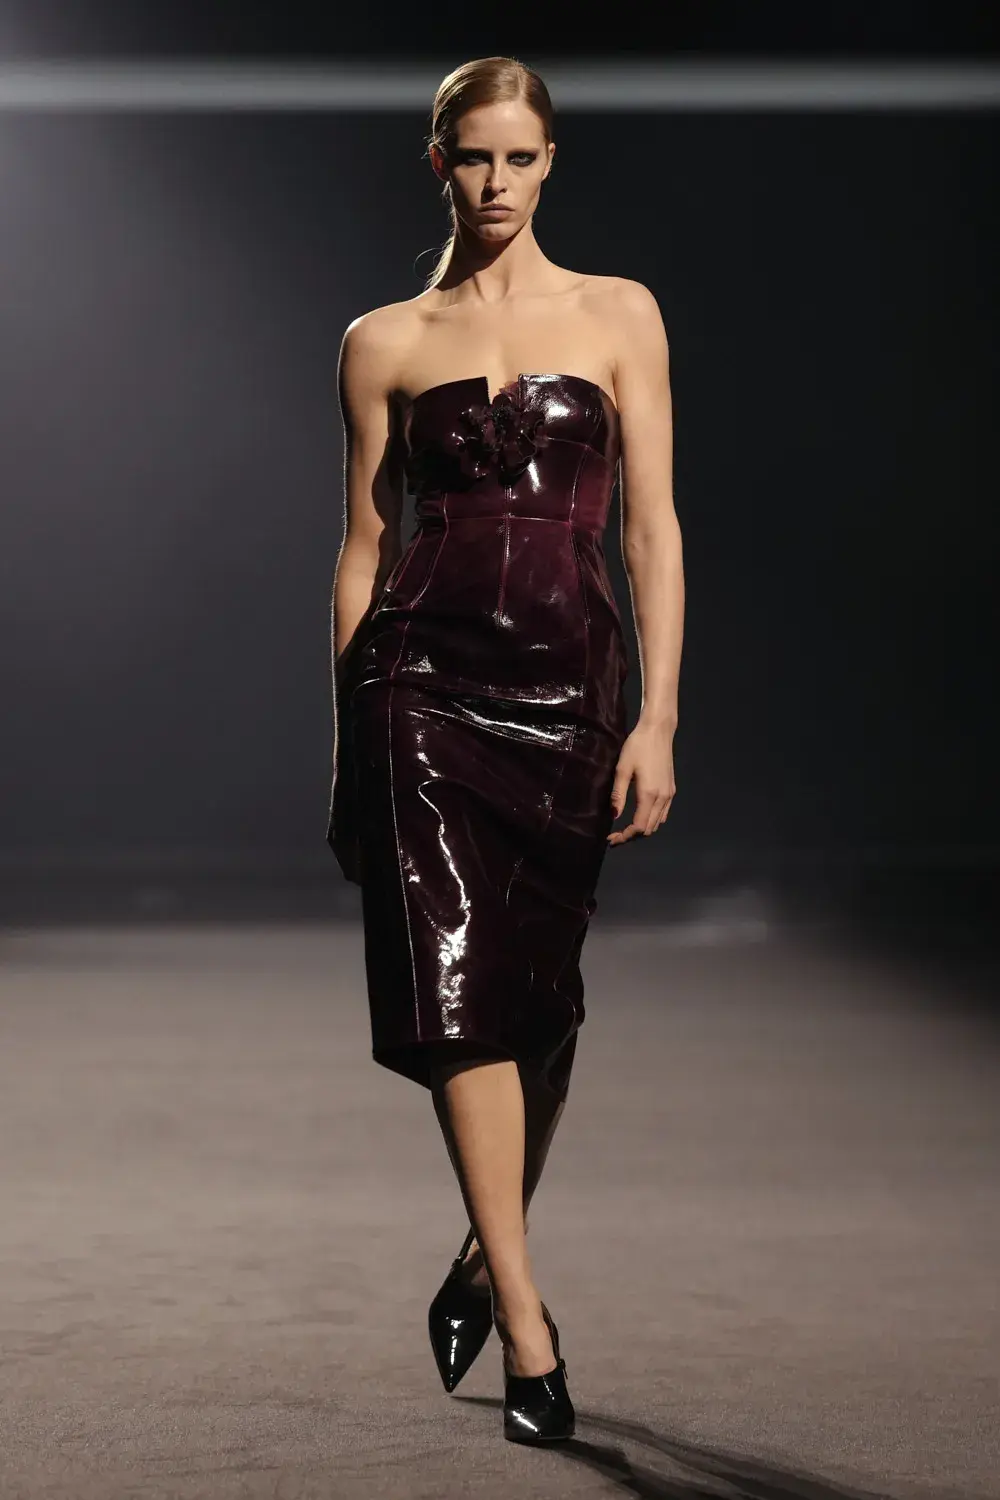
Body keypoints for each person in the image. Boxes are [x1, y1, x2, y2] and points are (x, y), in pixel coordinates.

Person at [328, 55, 683, 1443]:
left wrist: (659, 714)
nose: (496, 182)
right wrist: (346, 745)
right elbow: (364, 549)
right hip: (420, 685)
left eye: (519, 157)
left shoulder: (619, 312)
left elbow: (650, 526)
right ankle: (530, 1327)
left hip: (571, 681)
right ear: (440, 163)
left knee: (544, 1001)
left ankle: (486, 1250)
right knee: (458, 988)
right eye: (473, 157)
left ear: (549, 162)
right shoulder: (381, 341)